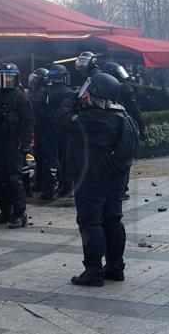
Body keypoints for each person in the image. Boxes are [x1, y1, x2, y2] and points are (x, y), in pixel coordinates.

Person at [61, 73, 139, 286]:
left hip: (92, 179)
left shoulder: (94, 118)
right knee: (113, 220)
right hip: (115, 179)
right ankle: (115, 266)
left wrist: (72, 99)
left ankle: (93, 271)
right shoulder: (122, 116)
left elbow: (64, 120)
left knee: (90, 223)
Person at [0, 63, 34, 228]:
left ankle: (20, 214)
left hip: (14, 142)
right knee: (0, 180)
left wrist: (26, 144)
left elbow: (29, 123)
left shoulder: (20, 97)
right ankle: (6, 212)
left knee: (14, 178)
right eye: (3, 77)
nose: (6, 81)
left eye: (9, 77)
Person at [101, 61, 146, 200]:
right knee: (124, 159)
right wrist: (142, 127)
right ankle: (121, 189)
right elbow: (134, 109)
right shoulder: (124, 88)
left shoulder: (98, 88)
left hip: (104, 129)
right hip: (124, 128)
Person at [38, 65, 77, 200]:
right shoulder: (71, 92)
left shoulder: (45, 91)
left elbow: (37, 109)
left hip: (49, 129)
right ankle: (66, 187)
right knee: (66, 158)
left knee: (50, 160)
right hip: (66, 130)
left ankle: (49, 190)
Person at [28, 68, 50, 194]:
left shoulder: (41, 91)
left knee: (42, 156)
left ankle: (42, 182)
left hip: (43, 128)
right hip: (42, 128)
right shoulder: (41, 90)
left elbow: (34, 107)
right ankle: (40, 180)